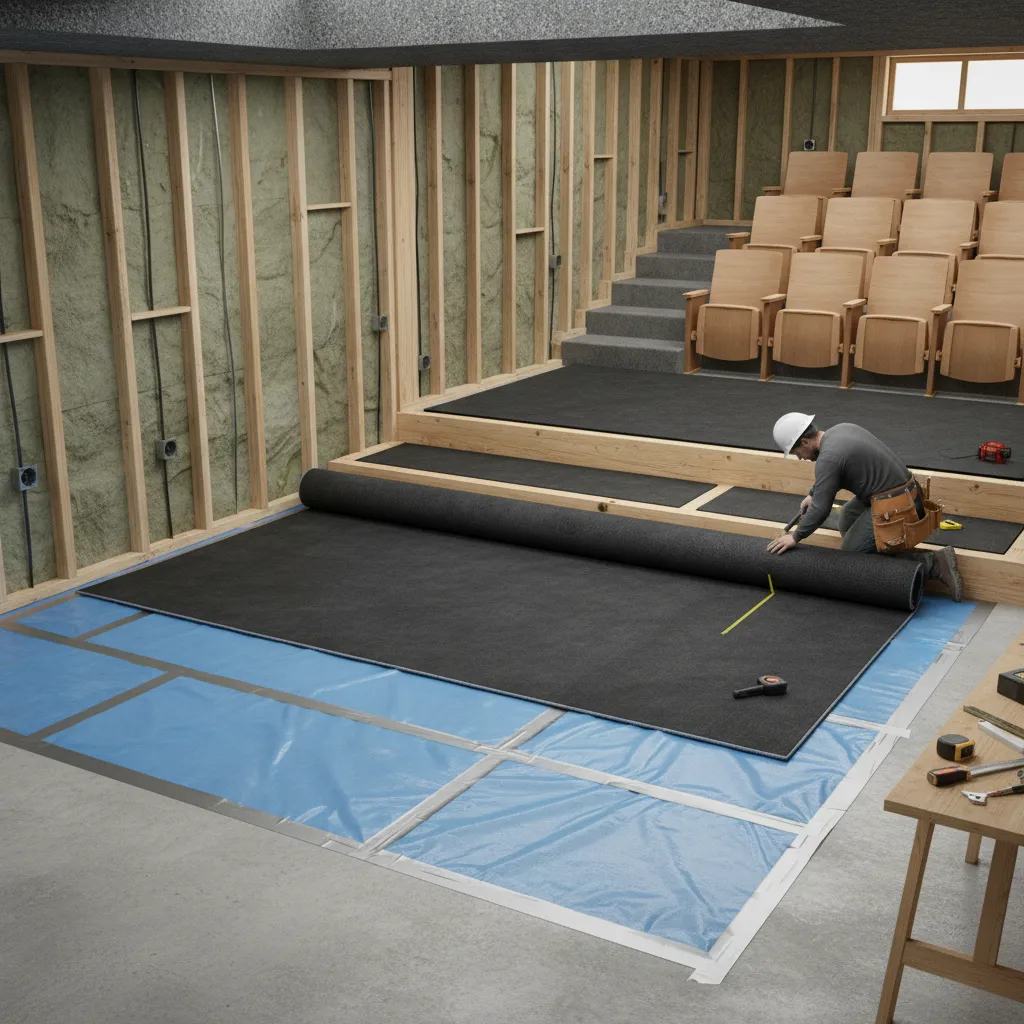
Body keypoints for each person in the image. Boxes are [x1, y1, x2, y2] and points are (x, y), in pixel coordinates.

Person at [765, 412, 963, 601]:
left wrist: (795, 536)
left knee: (851, 561)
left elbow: (821, 509)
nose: (800, 458)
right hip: (902, 495)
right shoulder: (840, 430)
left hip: (898, 507)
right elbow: (831, 475)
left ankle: (935, 564)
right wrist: (812, 493)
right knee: (846, 521)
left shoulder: (829, 457)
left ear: (805, 442)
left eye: (797, 452)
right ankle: (872, 546)